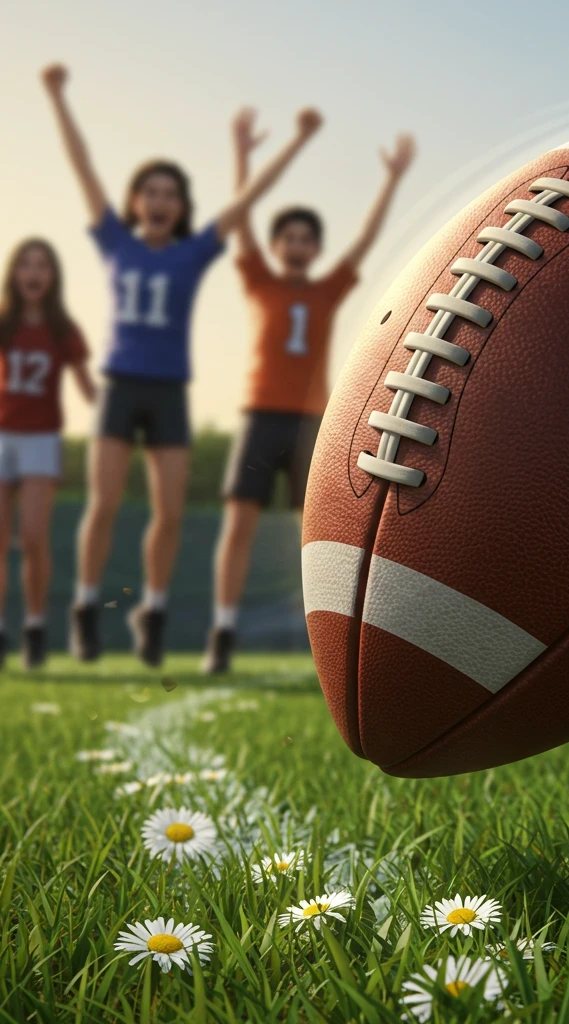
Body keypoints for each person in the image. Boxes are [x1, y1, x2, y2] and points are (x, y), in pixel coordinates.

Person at [41, 63, 323, 668]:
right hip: (121, 384)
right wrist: (57, 96)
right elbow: (84, 163)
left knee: (169, 512)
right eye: (153, 193)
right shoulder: (115, 241)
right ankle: (87, 607)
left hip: (168, 390)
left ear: (181, 206)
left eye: (172, 194)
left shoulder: (195, 254)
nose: (162, 202)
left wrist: (296, 140)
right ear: (137, 202)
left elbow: (249, 200)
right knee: (105, 501)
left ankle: (154, 610)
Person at [202, 109, 415, 673]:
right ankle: (222, 628)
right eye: (288, 237)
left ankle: (320, 638)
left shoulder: (325, 291)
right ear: (276, 246)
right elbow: (242, 217)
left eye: (306, 238)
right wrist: (243, 153)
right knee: (239, 525)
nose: (297, 244)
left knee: (316, 536)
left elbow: (366, 239)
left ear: (315, 248)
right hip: (260, 416)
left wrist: (391, 178)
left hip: (308, 426)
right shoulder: (260, 280)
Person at [0, 239, 95, 668]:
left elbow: (87, 387)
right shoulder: (3, 322)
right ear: (13, 274)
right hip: (2, 436)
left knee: (34, 538)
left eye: (42, 265)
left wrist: (114, 422)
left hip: (42, 439)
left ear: (52, 276)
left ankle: (35, 626)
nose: (33, 272)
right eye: (25, 264)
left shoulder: (62, 329)